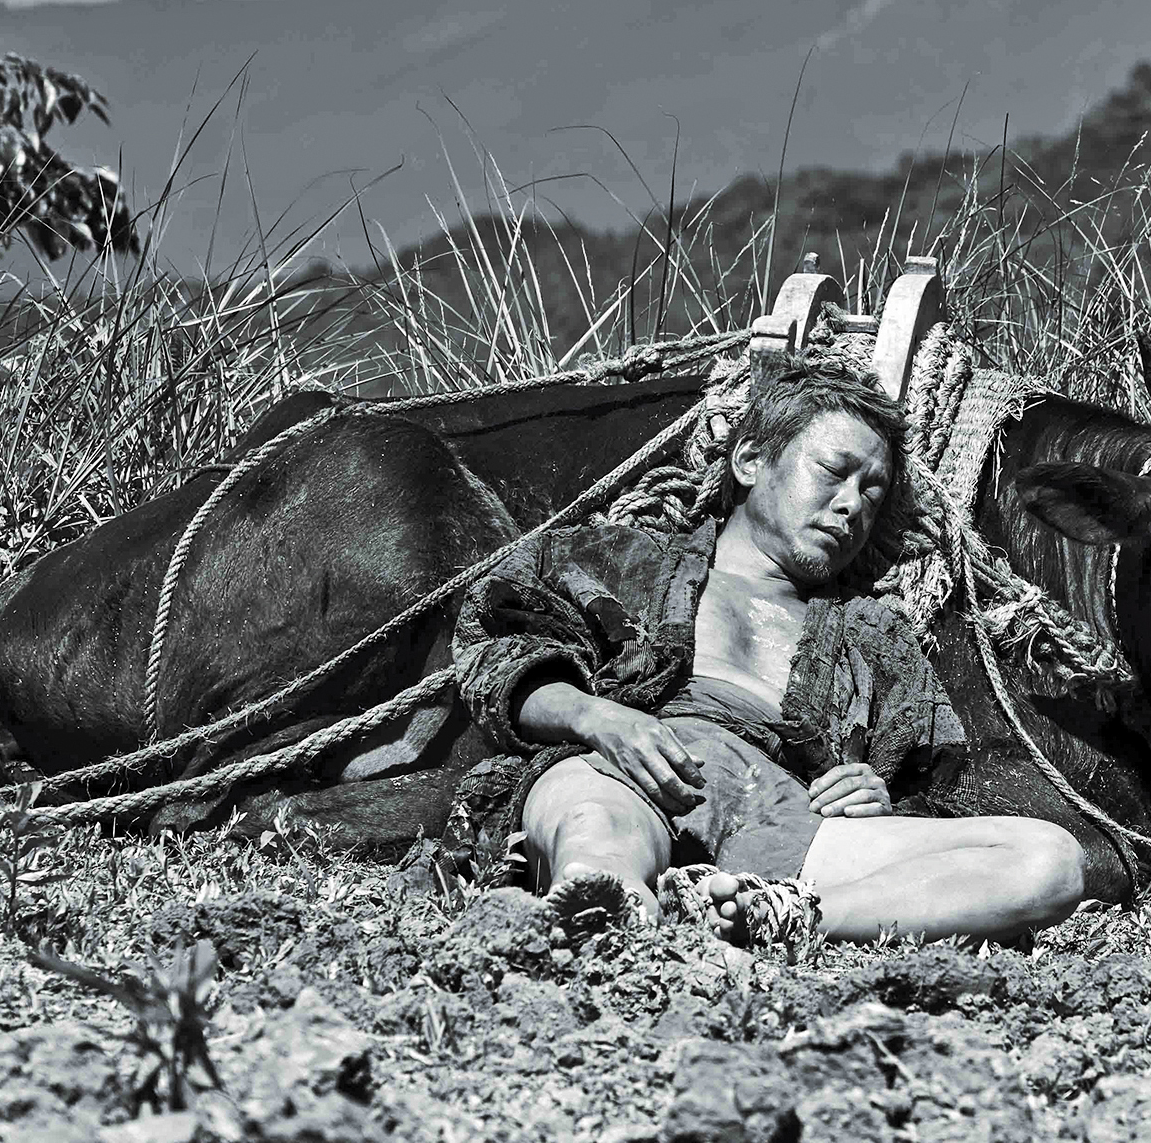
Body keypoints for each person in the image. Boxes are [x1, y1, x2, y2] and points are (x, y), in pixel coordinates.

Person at [448, 354, 1086, 949]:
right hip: (627, 773)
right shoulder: (622, 558)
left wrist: (879, 796)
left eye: (872, 492)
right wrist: (599, 718)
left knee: (1050, 862)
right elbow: (498, 652)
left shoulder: (876, 637)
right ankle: (612, 915)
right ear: (751, 460)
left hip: (789, 827)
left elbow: (938, 789)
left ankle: (772, 916)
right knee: (598, 835)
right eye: (834, 472)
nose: (849, 506)